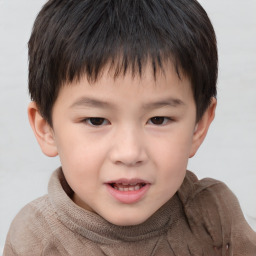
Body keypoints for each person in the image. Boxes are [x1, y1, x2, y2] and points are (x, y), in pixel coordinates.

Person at [4, 0, 256, 255]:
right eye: (96, 120)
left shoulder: (214, 219)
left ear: (198, 126)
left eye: (158, 120)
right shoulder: (35, 240)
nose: (129, 153)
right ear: (46, 128)